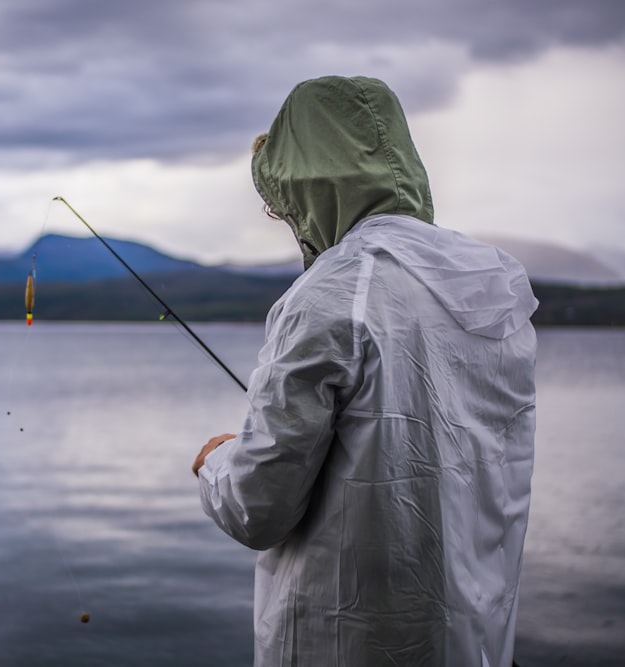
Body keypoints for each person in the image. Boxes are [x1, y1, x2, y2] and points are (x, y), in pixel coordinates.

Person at [192, 75, 538, 667]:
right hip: (471, 638)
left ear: (313, 189)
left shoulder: (330, 294)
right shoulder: (495, 285)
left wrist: (217, 461)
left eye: (285, 205)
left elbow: (259, 506)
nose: (287, 221)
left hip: (343, 641)